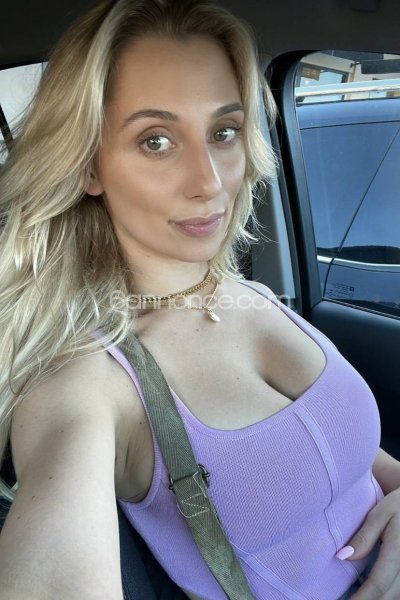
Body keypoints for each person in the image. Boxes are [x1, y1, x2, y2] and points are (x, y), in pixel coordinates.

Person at [0, 0, 399, 598]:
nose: (210, 182)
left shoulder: (253, 295)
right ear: (88, 166)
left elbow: (354, 461)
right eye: (156, 140)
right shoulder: (87, 384)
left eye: (224, 132)